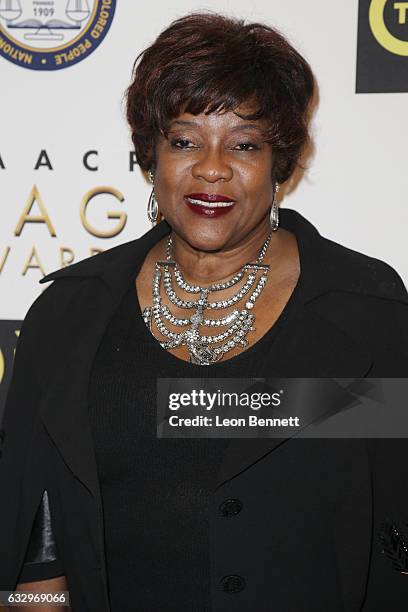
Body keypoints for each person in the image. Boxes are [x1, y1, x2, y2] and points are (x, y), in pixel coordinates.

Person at [1, 11, 408, 612]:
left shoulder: (364, 312)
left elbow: (390, 515)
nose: (212, 168)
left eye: (245, 144)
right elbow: (37, 544)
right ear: (151, 157)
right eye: (184, 140)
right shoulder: (68, 315)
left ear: (280, 165)